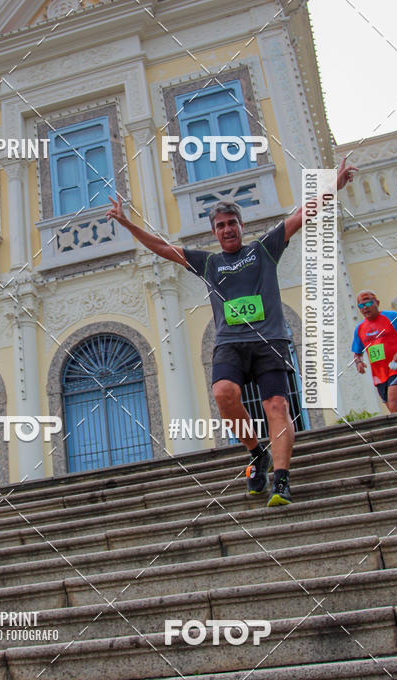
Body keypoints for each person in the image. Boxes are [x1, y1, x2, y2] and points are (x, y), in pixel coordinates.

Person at [107, 156, 357, 507]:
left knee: (277, 404)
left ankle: (281, 480)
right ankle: (258, 453)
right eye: (221, 225)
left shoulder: (264, 249)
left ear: (242, 225)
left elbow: (301, 214)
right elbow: (163, 248)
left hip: (270, 342)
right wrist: (127, 224)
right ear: (214, 231)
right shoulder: (208, 263)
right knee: (224, 393)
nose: (227, 229)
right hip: (230, 344)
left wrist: (334, 186)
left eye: (232, 223)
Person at [352, 291, 397, 412]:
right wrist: (358, 363)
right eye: (361, 306)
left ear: (377, 303)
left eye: (368, 303)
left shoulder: (393, 317)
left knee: (394, 405)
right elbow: (357, 352)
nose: (365, 307)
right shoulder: (360, 329)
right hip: (379, 375)